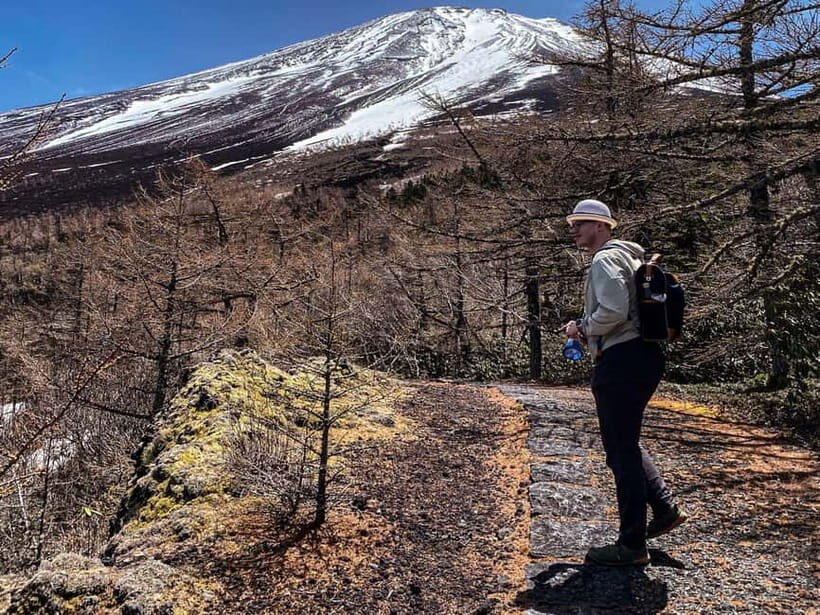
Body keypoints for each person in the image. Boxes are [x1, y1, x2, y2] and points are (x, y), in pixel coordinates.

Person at [563, 198, 687, 567]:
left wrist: (580, 328)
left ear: (602, 226)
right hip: (643, 356)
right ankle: (664, 509)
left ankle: (632, 545)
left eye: (581, 223)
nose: (574, 230)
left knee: (620, 453)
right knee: (626, 444)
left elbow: (614, 312)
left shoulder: (605, 259)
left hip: (621, 359)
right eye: (573, 224)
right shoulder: (629, 257)